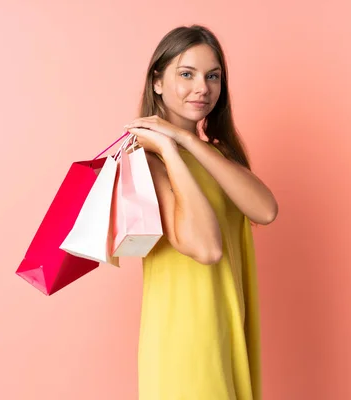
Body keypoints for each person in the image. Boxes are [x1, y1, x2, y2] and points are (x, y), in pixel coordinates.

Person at [124, 24, 278, 400]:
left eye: (213, 76)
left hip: (227, 330)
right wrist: (171, 150)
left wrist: (186, 140)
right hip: (183, 341)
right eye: (187, 74)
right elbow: (206, 249)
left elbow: (267, 209)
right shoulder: (144, 162)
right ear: (157, 82)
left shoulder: (220, 156)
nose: (202, 88)